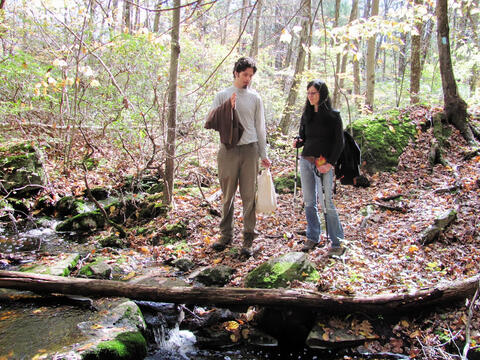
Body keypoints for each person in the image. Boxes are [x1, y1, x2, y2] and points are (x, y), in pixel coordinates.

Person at [205, 57, 271, 258]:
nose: (248, 79)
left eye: (251, 75)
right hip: (228, 150)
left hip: (250, 149)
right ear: (236, 73)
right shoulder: (222, 95)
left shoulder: (255, 98)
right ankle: (225, 235)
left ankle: (248, 239)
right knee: (227, 196)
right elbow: (210, 121)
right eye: (245, 75)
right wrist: (227, 106)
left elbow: (260, 127)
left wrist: (263, 154)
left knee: (249, 196)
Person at [293, 80, 345, 256]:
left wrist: (330, 163)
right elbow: (303, 137)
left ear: (322, 94)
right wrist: (298, 141)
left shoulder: (333, 115)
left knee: (326, 203)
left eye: (313, 93)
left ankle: (337, 241)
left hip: (323, 161)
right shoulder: (307, 114)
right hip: (306, 160)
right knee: (309, 201)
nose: (310, 96)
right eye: (308, 93)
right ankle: (313, 236)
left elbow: (339, 142)